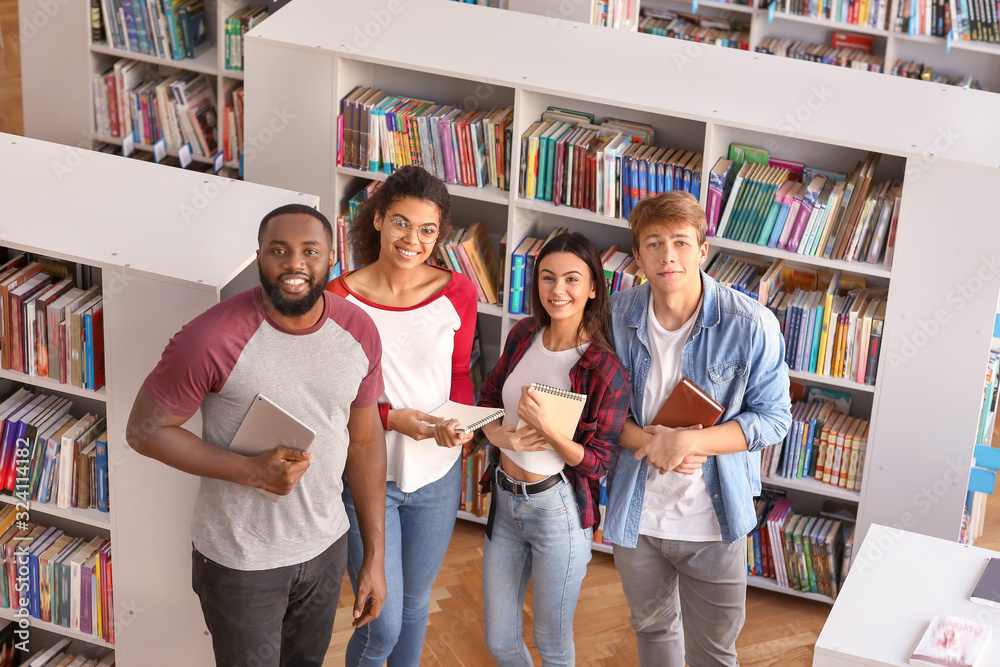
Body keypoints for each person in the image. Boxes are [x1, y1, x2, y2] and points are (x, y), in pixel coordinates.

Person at [125, 204, 388, 667]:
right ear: (259, 258)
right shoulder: (211, 337)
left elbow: (365, 442)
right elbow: (144, 431)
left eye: (310, 251)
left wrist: (374, 556)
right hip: (241, 562)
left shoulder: (358, 330)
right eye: (278, 251)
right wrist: (250, 471)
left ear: (332, 258)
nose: (294, 264)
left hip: (326, 548)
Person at [603, 191, 792, 667]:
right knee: (653, 633)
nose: (669, 255)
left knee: (712, 653)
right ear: (638, 255)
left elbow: (774, 419)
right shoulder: (614, 316)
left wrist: (690, 442)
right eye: (654, 243)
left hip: (714, 521)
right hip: (637, 517)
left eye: (682, 243)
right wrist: (654, 444)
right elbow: (598, 413)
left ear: (703, 251)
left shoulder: (751, 324)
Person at [326, 165, 478, 667]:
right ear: (377, 220)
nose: (413, 240)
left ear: (440, 235)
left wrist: (461, 427)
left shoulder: (457, 291)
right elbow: (334, 395)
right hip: (369, 476)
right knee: (381, 622)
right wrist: (392, 418)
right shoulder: (338, 298)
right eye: (401, 223)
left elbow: (459, 375)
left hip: (436, 475)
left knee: (414, 608)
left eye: (428, 230)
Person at [469, 232, 630, 667]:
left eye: (572, 279)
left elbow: (598, 462)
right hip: (504, 502)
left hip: (556, 510)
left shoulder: (604, 368)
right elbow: (487, 398)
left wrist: (552, 432)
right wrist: (498, 435)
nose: (558, 290)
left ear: (594, 287)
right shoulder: (524, 334)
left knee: (553, 646)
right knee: (500, 642)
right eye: (547, 278)